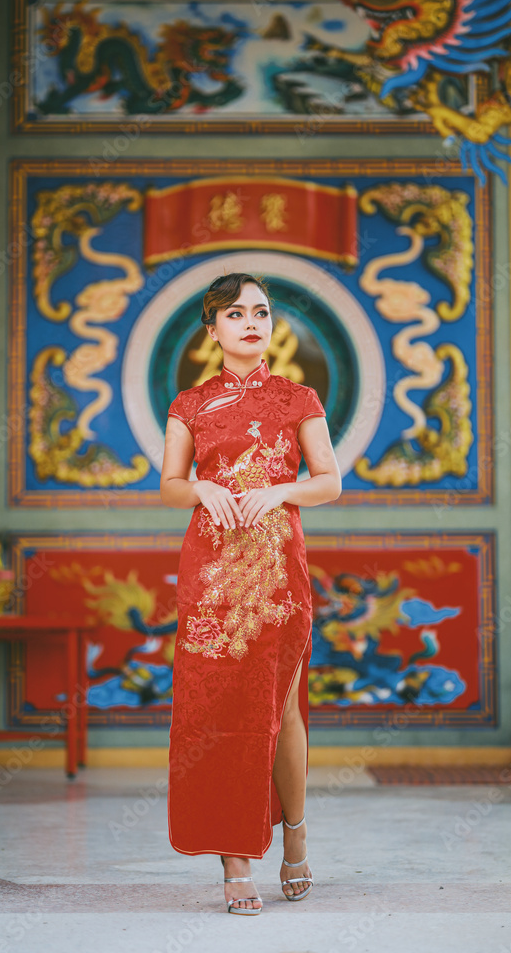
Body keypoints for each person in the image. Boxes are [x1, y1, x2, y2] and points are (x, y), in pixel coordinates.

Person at [160, 272, 341, 915]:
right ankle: (234, 860)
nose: (250, 322)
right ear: (212, 330)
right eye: (235, 313)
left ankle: (293, 836)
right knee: (215, 717)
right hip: (210, 578)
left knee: (281, 711)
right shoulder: (189, 404)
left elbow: (329, 481)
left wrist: (281, 491)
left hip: (277, 577)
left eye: (260, 312)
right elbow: (171, 485)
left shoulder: (299, 399)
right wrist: (203, 489)